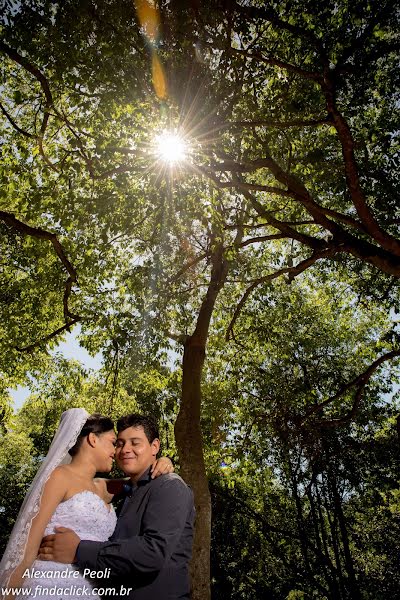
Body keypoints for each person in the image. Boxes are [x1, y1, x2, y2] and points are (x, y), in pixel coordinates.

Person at [0, 408, 173, 599]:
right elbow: (26, 549)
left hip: (90, 589)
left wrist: (163, 461)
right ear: (92, 439)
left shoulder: (104, 488)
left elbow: (139, 477)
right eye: (113, 443)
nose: (116, 452)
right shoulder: (59, 476)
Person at [38, 413, 195, 600]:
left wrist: (79, 550)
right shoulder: (127, 490)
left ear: (155, 446)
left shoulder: (169, 486)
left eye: (135, 443)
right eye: (119, 443)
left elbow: (153, 552)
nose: (124, 449)